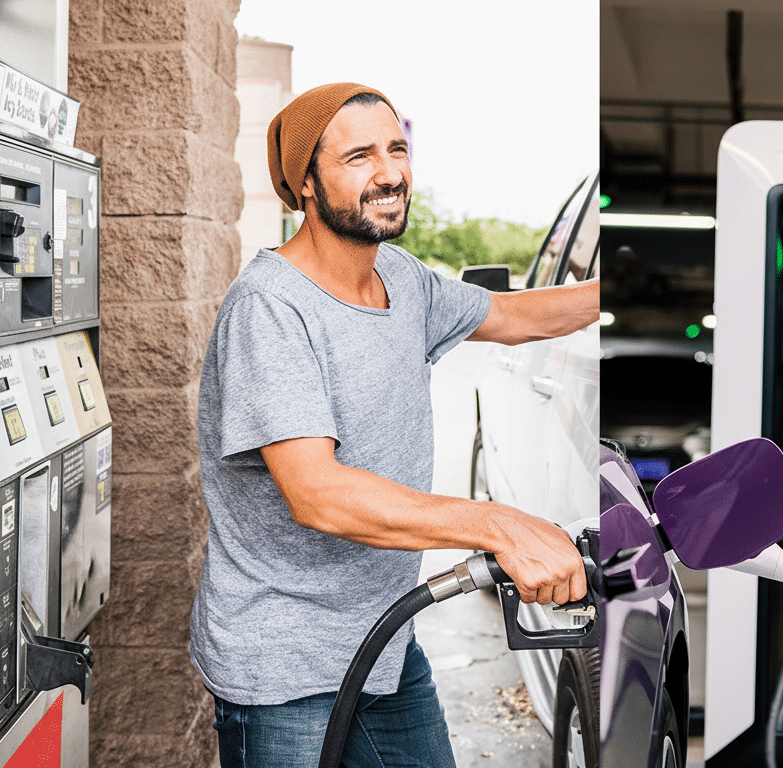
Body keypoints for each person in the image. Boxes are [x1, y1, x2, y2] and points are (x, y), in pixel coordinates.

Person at [189, 82, 599, 768]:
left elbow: (516, 316)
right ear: (306, 184)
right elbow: (318, 494)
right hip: (285, 666)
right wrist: (501, 524)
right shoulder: (270, 310)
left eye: (397, 149)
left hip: (384, 643)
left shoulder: (402, 281)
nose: (390, 173)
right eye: (359, 156)